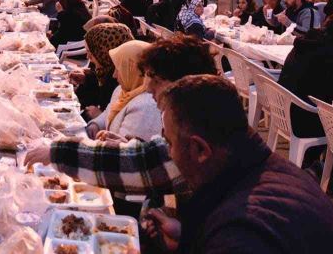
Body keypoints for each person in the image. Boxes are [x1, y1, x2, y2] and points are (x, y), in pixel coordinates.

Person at [142, 75, 333, 254]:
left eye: (169, 142)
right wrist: (187, 241)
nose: (169, 153)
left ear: (200, 150)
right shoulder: (265, 169)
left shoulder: (241, 230)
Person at [24, 34, 217, 196]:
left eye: (156, 81)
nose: (149, 88)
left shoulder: (193, 133)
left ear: (183, 85)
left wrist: (57, 152)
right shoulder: (199, 116)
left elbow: (141, 164)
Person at [85, 40, 160, 141]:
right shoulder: (123, 90)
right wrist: (96, 124)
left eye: (118, 69)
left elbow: (124, 151)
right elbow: (109, 112)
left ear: (133, 70)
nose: (114, 75)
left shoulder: (146, 106)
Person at [70, 23, 133, 121]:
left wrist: (101, 116)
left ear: (104, 51)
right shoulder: (106, 71)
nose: (88, 57)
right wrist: (86, 79)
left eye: (90, 53)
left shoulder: (123, 79)